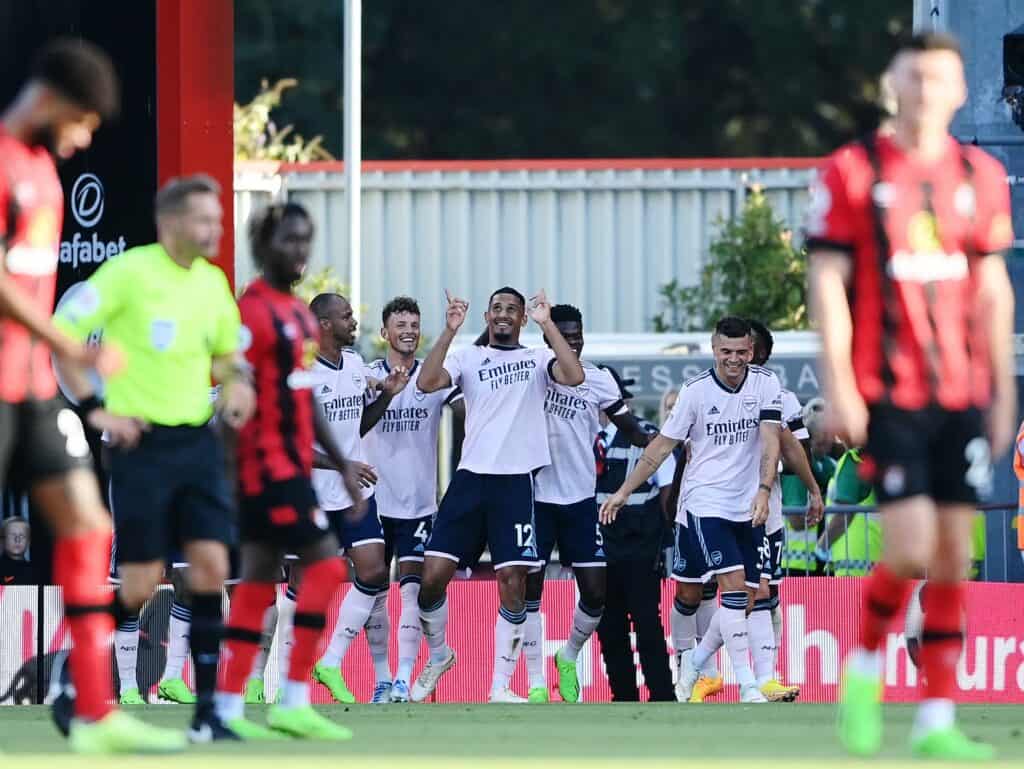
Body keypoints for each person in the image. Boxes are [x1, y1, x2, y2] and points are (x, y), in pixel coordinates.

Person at [808, 32, 1015, 760]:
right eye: (914, 78)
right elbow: (828, 282)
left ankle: (935, 719)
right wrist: (838, 385)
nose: (927, 91)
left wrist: (1002, 389)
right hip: (886, 393)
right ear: (893, 84)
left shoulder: (980, 175)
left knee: (955, 555)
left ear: (961, 90)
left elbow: (991, 287)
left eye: (940, 79)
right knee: (910, 547)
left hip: (959, 391)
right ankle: (862, 671)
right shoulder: (853, 170)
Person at [0, 39, 184, 754]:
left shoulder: (46, 175)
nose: (81, 141)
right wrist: (72, 343)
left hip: (34, 389)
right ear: (52, 100)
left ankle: (91, 704)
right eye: (80, 123)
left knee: (88, 525)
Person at [54, 174, 257, 743]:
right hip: (141, 446)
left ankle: (209, 712)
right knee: (141, 584)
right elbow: (62, 337)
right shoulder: (126, 273)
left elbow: (227, 359)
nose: (216, 229)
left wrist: (237, 386)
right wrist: (95, 408)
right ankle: (77, 673)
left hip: (197, 444)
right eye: (204, 220)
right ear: (171, 223)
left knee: (212, 570)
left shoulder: (213, 283)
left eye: (218, 220)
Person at [212, 201, 363, 740]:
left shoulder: (297, 314)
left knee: (256, 585)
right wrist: (229, 472)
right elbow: (233, 392)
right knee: (324, 569)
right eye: (287, 240)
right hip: (265, 467)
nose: (298, 250)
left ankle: (226, 710)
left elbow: (304, 399)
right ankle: (293, 699)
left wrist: (343, 465)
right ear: (263, 247)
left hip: (292, 465)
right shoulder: (251, 312)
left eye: (305, 240)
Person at [410, 286, 584, 703]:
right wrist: (450, 330)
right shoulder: (468, 356)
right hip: (469, 479)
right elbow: (427, 381)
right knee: (430, 579)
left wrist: (547, 324)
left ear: (523, 319)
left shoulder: (537, 358)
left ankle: (501, 686)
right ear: (487, 316)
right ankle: (439, 654)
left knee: (512, 581)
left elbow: (574, 375)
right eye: (497, 308)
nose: (504, 314)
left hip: (514, 482)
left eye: (513, 310)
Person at [601, 316, 783, 705]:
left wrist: (765, 490)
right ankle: (748, 685)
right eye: (725, 352)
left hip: (748, 504)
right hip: (704, 503)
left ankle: (695, 662)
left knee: (748, 598)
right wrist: (623, 491)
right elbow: (660, 448)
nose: (733, 359)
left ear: (751, 352)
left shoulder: (766, 384)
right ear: (715, 350)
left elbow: (771, 442)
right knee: (730, 590)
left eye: (741, 352)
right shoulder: (695, 392)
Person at [523, 305, 651, 703]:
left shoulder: (598, 380)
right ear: (549, 337)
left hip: (580, 501)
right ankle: (535, 683)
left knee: (596, 592)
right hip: (536, 499)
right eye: (564, 334)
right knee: (530, 591)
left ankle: (568, 655)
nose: (573, 340)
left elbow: (630, 429)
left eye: (577, 334)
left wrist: (671, 441)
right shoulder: (534, 372)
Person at [296, 292, 407, 704]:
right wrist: (340, 466)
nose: (353, 322)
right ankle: (276, 683)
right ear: (324, 325)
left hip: (355, 491)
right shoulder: (303, 372)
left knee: (375, 570)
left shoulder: (357, 365)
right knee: (302, 588)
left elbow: (358, 424)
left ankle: (331, 661)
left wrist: (389, 394)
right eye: (345, 316)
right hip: (314, 495)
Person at [361, 296, 466, 703]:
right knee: (373, 596)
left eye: (414, 324)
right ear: (385, 333)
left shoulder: (434, 378)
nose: (408, 330)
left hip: (420, 503)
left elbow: (469, 411)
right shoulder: (368, 376)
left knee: (410, 590)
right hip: (374, 501)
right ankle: (382, 679)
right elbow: (355, 424)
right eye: (400, 324)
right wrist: (386, 393)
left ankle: (404, 678)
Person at [746, 319, 823, 701]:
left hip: (767, 509)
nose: (739, 356)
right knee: (721, 592)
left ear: (759, 353)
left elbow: (799, 453)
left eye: (747, 348)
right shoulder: (708, 391)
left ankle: (764, 677)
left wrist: (812, 489)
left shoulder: (783, 398)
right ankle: (702, 668)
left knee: (766, 591)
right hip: (718, 507)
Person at [594, 369, 675, 702]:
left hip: (640, 546)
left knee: (646, 622)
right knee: (608, 625)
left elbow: (667, 489)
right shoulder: (580, 437)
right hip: (599, 548)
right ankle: (623, 695)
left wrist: (667, 539)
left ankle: (661, 694)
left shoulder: (647, 435)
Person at [0, 518, 35, 585]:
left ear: (28, 542)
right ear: (2, 540)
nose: (17, 539)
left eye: (22, 536)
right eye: (12, 535)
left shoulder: (35, 573)